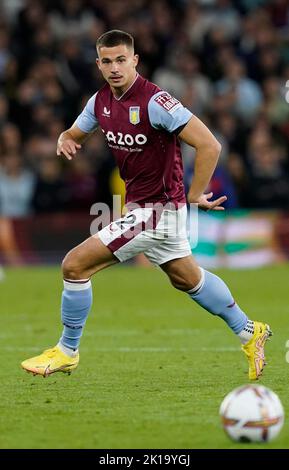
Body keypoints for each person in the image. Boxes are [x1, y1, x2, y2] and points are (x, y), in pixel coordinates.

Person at [21, 30, 271, 380]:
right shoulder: (99, 103)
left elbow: (209, 145)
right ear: (98, 64)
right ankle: (249, 331)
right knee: (187, 279)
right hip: (143, 208)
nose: (115, 68)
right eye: (107, 61)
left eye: (121, 59)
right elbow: (74, 134)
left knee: (74, 266)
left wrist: (196, 193)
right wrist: (65, 138)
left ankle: (67, 350)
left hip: (159, 211)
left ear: (135, 60)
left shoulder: (156, 102)